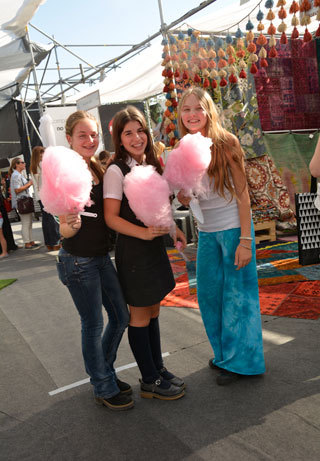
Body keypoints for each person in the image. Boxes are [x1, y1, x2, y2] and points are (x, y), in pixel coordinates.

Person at [176, 88, 265, 385]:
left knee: (238, 299)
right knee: (209, 297)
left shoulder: (226, 142)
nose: (191, 114)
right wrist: (183, 192)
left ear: (209, 111)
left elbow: (242, 193)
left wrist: (245, 241)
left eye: (197, 108)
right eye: (186, 109)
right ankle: (225, 354)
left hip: (232, 231)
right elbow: (186, 200)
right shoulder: (183, 146)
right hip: (206, 234)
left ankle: (244, 362)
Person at [103, 106, 186, 401]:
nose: (137, 137)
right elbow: (111, 217)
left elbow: (160, 207)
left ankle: (158, 369)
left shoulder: (149, 164)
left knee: (153, 310)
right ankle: (149, 379)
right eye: (128, 133)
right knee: (139, 314)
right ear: (119, 139)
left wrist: (172, 227)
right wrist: (143, 233)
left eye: (140, 131)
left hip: (152, 247)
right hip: (135, 251)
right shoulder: (116, 170)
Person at [56, 110, 133, 411]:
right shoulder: (66, 172)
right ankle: (102, 384)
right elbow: (63, 225)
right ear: (69, 138)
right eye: (82, 135)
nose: (90, 140)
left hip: (100, 257)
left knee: (121, 316)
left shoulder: (96, 168)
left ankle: (105, 372)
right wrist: (68, 226)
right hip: (77, 261)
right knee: (92, 323)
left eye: (93, 134)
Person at [30, 146, 61, 251]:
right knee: (52, 219)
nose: (44, 154)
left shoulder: (33, 167)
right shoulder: (42, 165)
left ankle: (49, 242)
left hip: (40, 196)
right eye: (42, 153)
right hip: (47, 195)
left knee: (46, 220)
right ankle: (55, 242)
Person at [9, 158, 39, 250]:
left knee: (28, 222)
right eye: (22, 162)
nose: (24, 164)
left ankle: (30, 241)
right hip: (22, 202)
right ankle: (27, 242)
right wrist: (29, 183)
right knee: (26, 223)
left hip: (23, 201)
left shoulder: (18, 175)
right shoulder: (16, 175)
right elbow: (17, 190)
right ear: (16, 164)